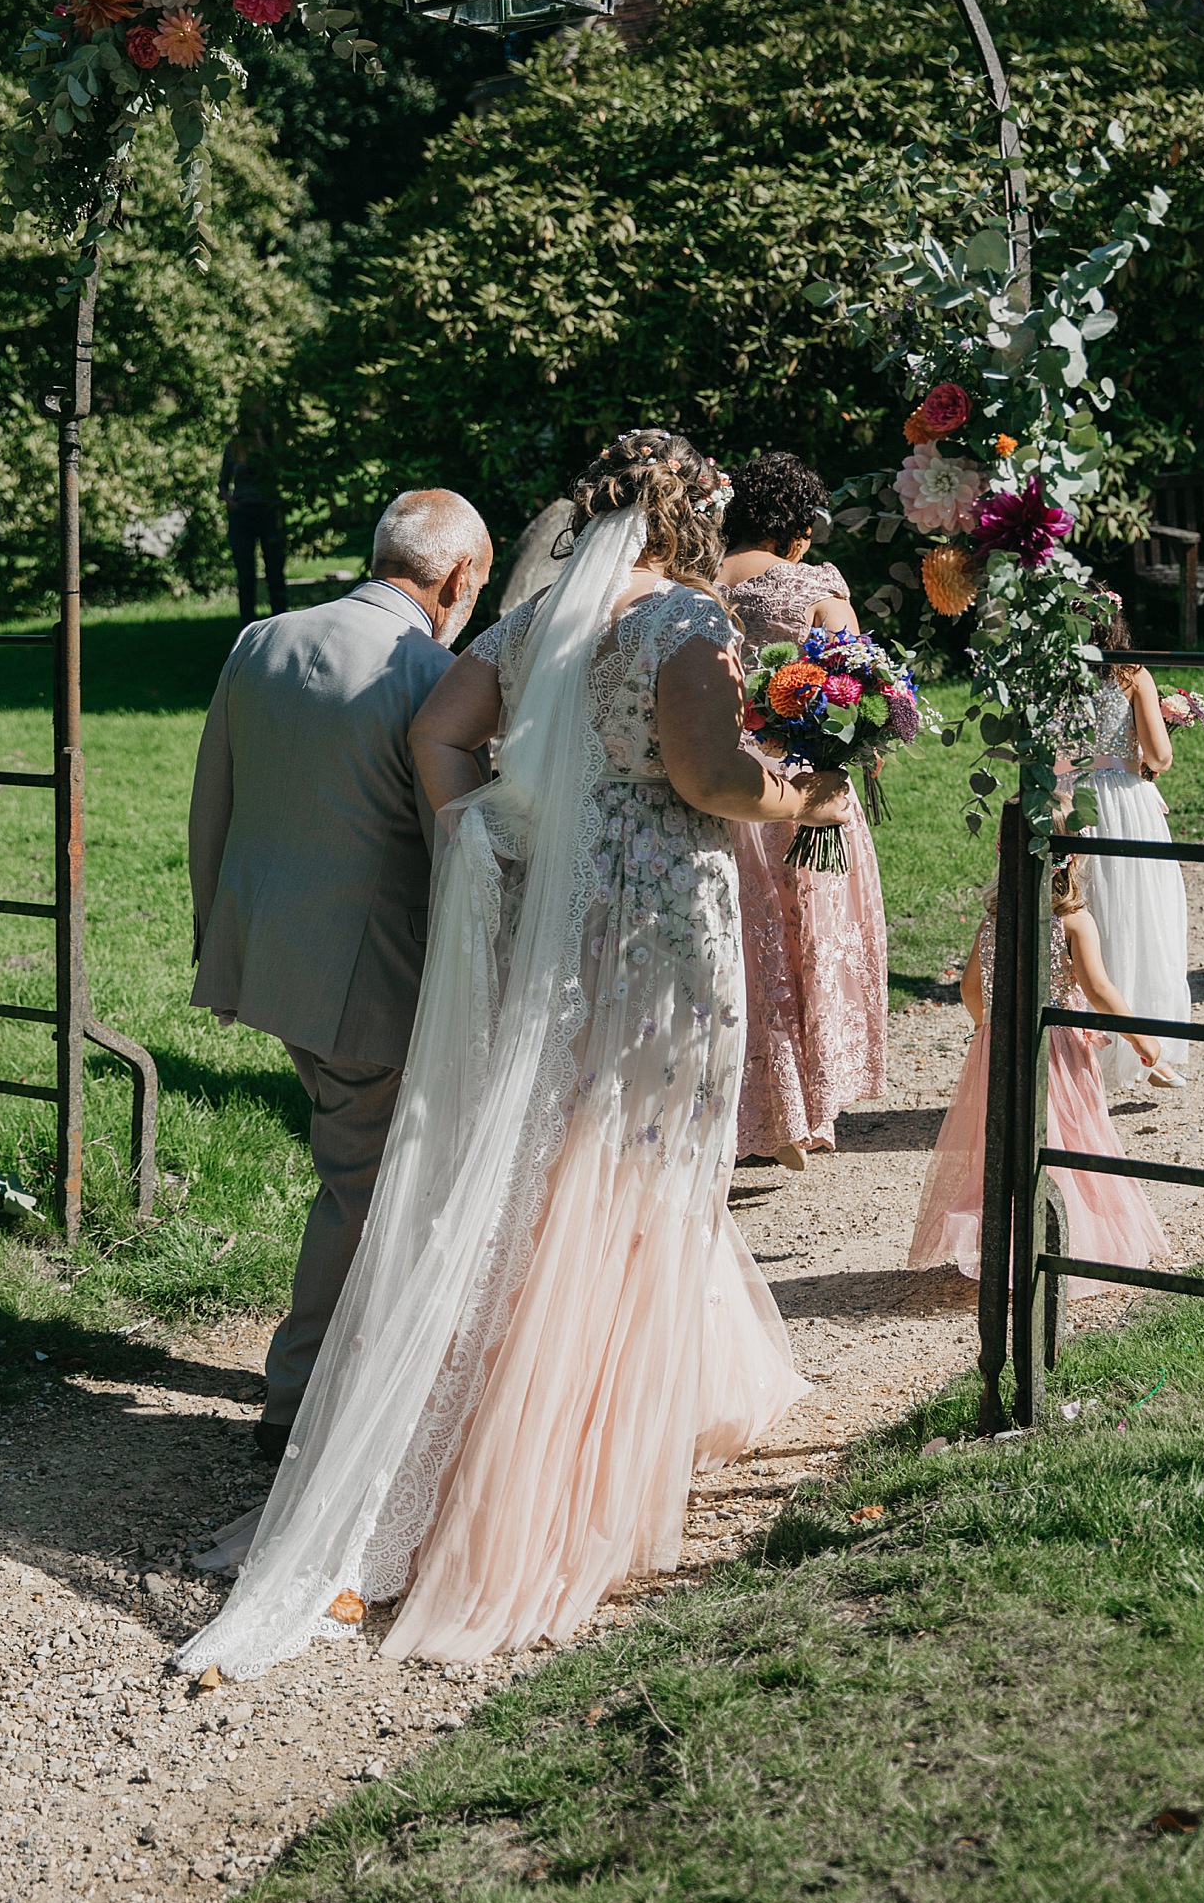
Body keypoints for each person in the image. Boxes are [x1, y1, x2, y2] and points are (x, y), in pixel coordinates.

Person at [177, 429, 849, 1677]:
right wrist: (812, 795)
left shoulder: (531, 621)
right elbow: (708, 780)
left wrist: (487, 835)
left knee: (552, 1158)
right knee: (639, 1156)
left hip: (560, 921)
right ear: (682, 516)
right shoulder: (682, 627)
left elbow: (442, 728)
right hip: (659, 930)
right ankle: (570, 1456)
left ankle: (537, 1412)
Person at [188, 487, 492, 1459]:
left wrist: (218, 937)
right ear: (457, 578)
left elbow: (212, 805)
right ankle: (297, 1406)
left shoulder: (259, 642)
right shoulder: (428, 675)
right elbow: (450, 847)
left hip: (268, 958)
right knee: (362, 1188)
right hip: (371, 978)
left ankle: (362, 1378)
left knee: (364, 1172)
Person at [720, 451, 889, 1169]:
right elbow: (862, 683)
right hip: (800, 781)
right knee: (808, 938)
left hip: (727, 781)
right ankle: (805, 1108)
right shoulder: (815, 585)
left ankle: (757, 1109)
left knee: (748, 941)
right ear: (798, 530)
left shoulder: (699, 580)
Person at [907, 849, 1168, 1292]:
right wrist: (1139, 1036)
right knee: (1069, 1139)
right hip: (1056, 1049)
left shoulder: (995, 921)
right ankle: (1074, 1245)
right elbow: (1098, 988)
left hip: (1000, 1045)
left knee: (1008, 1146)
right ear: (1074, 862)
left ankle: (1007, 1249)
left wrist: (986, 1029)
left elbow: (971, 987)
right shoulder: (1073, 923)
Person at [1084, 590, 1190, 1091]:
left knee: (1088, 922)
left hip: (1069, 798)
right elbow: (1161, 756)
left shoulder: (1052, 679)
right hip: (1123, 804)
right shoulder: (1132, 675)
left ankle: (1083, 1052)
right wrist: (1146, 762)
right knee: (1138, 918)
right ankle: (1148, 1051)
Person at [220, 408, 288, 626]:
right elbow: (223, 482)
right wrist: (231, 503)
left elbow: (281, 471)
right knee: (246, 574)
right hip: (242, 513)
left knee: (275, 571)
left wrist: (262, 441)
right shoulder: (234, 446)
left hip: (269, 511)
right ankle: (247, 624)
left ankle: (280, 620)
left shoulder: (272, 446)